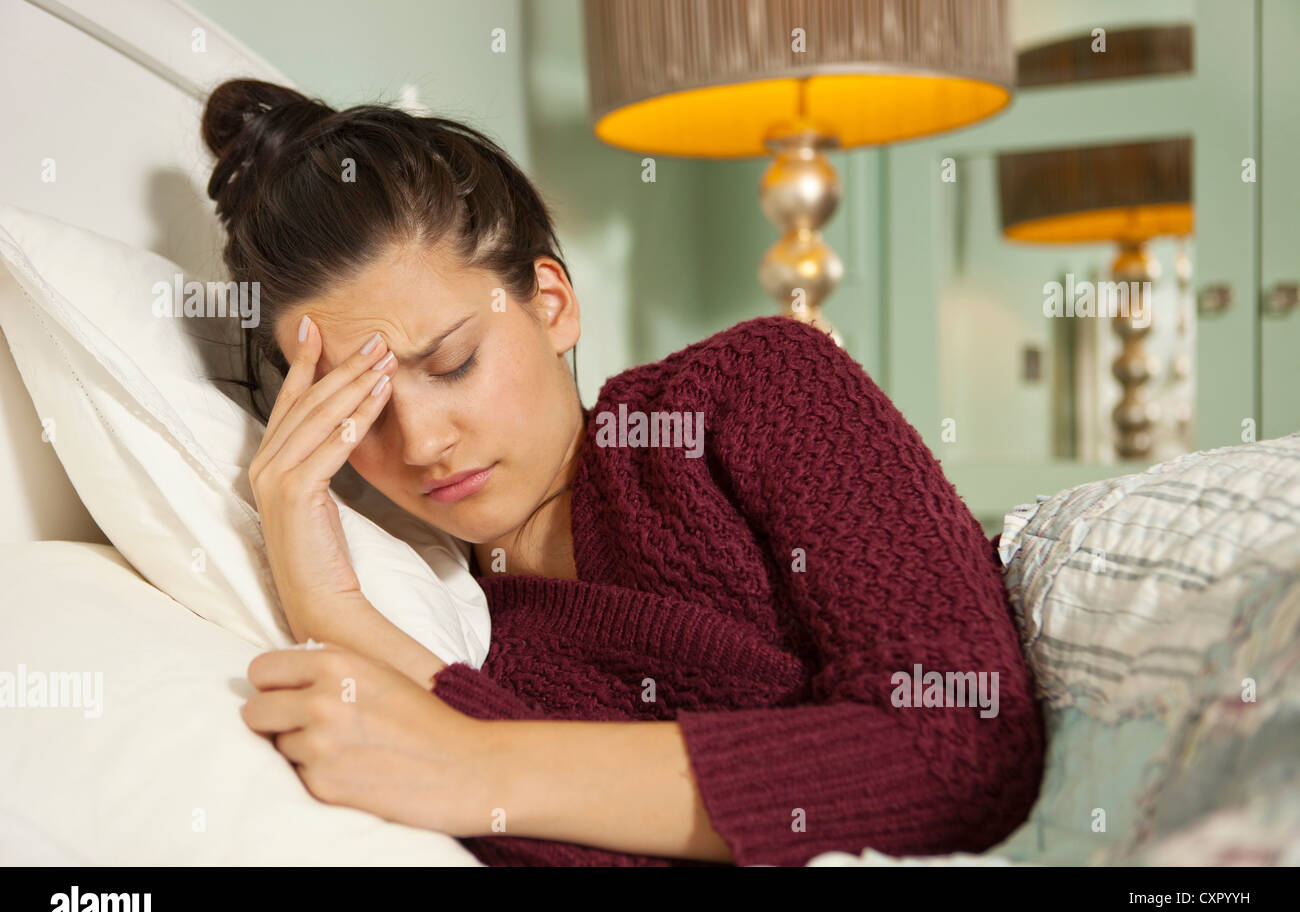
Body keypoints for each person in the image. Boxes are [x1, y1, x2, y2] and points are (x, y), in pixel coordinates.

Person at [205, 78, 1046, 867]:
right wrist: (333, 609)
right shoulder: (457, 636)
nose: (422, 442)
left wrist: (481, 761)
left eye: (454, 362)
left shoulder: (753, 390)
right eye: (361, 411)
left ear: (553, 305)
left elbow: (963, 743)